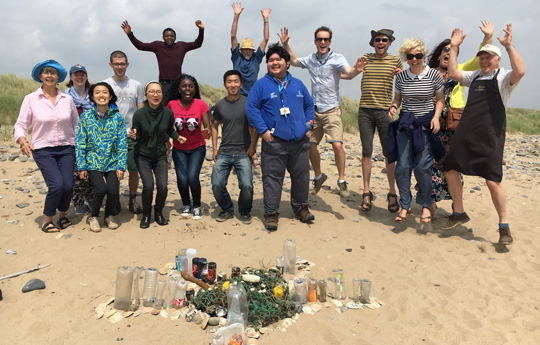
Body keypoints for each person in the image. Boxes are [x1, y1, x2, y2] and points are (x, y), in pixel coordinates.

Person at [438, 24, 525, 245]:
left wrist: (509, 46)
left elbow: (520, 72)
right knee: (450, 169)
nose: (485, 62)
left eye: (489, 58)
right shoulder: (475, 75)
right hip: (466, 132)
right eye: (482, 58)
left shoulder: (504, 79)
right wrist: (455, 48)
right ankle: (459, 212)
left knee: (492, 181)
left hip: (490, 135)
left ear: (497, 61)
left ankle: (504, 226)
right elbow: (454, 73)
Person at [279, 27, 365, 199]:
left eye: (326, 39)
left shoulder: (337, 58)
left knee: (337, 145)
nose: (323, 42)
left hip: (332, 109)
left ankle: (341, 180)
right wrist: (286, 45)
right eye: (319, 39)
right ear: (315, 41)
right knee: (309, 144)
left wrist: (357, 69)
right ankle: (318, 177)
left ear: (330, 42)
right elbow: (294, 61)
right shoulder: (311, 59)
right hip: (314, 110)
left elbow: (349, 72)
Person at [426, 21, 494, 218]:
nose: (448, 53)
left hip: (453, 129)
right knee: (426, 165)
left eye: (452, 50)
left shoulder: (460, 71)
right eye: (445, 49)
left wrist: (487, 36)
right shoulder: (428, 73)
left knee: (453, 167)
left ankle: (457, 207)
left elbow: (478, 59)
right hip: (430, 126)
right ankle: (429, 204)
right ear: (439, 54)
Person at [246, 43, 315, 231]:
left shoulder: (298, 84)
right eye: (270, 60)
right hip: (274, 142)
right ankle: (271, 214)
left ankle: (301, 208)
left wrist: (309, 125)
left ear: (286, 63)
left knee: (301, 177)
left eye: (278, 59)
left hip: (300, 141)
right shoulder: (261, 85)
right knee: (272, 179)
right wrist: (264, 131)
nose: (274, 63)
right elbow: (251, 108)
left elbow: (309, 105)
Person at [14, 60, 79, 233]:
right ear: (40, 76)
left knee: (68, 185)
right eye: (46, 72)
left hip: (67, 147)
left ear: (58, 77)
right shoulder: (31, 99)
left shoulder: (67, 99)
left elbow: (76, 124)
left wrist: (80, 145)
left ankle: (62, 215)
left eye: (53, 73)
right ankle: (47, 219)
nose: (49, 75)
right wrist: (22, 141)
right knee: (56, 185)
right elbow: (20, 124)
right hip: (43, 149)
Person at [387, 38, 445, 224]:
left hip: (425, 126)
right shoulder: (401, 77)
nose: (414, 59)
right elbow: (398, 99)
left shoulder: (433, 75)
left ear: (424, 55)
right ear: (406, 57)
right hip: (405, 125)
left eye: (418, 55)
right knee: (402, 167)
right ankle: (406, 205)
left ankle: (426, 205)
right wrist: (393, 107)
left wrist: (436, 117)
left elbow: (440, 100)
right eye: (410, 56)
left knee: (422, 166)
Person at [346, 29, 402, 212]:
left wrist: (395, 105)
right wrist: (356, 69)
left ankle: (392, 193)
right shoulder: (365, 58)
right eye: (377, 39)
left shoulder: (395, 61)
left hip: (384, 112)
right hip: (365, 111)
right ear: (373, 42)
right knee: (366, 152)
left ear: (389, 43)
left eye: (384, 40)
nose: (381, 42)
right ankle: (366, 192)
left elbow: (401, 86)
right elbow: (351, 74)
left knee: (389, 153)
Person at [130, 82, 186, 229]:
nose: (155, 95)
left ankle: (159, 212)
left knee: (163, 187)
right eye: (152, 92)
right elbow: (136, 132)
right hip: (142, 155)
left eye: (158, 92)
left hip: (160, 154)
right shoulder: (139, 114)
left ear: (162, 94)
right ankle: (146, 214)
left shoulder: (167, 113)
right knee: (148, 186)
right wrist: (134, 134)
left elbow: (169, 130)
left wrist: (177, 137)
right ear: (146, 94)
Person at [76, 82, 128, 232]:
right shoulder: (86, 117)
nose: (101, 95)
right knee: (101, 189)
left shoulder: (117, 117)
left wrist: (121, 166)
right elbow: (80, 142)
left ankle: (108, 215)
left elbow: (122, 143)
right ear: (92, 96)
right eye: (97, 92)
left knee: (112, 190)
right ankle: (94, 216)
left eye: (105, 92)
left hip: (112, 161)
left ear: (110, 96)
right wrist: (82, 166)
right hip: (92, 161)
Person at [211, 70, 257, 224]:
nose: (233, 85)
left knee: (246, 185)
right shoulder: (219, 105)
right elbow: (214, 125)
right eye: (229, 82)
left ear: (241, 84)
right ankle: (227, 209)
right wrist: (215, 148)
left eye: (236, 81)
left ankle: (244, 211)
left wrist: (253, 146)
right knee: (217, 184)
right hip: (224, 151)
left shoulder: (248, 103)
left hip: (243, 151)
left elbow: (254, 127)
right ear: (225, 84)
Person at [121, 19, 204, 105]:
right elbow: (140, 46)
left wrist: (201, 30)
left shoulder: (181, 46)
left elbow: (197, 44)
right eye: (167, 36)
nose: (169, 38)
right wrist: (130, 34)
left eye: (172, 36)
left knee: (178, 107)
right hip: (164, 84)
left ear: (175, 38)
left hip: (178, 83)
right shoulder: (158, 46)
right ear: (163, 37)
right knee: (163, 108)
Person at [103, 50, 144, 214]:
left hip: (131, 135)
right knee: (114, 171)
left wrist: (138, 130)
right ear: (111, 65)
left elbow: (140, 110)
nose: (119, 66)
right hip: (112, 136)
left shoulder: (136, 85)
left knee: (134, 170)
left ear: (127, 65)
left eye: (122, 63)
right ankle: (115, 200)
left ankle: (133, 200)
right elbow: (101, 109)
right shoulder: (105, 85)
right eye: (116, 63)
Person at [167, 74, 211, 220]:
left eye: (191, 86)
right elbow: (167, 127)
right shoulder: (172, 105)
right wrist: (171, 138)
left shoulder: (201, 104)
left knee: (192, 177)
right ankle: (186, 204)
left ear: (194, 89)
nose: (188, 89)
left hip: (197, 148)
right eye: (184, 86)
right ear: (179, 89)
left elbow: (207, 126)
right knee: (181, 179)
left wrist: (207, 131)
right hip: (179, 148)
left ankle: (197, 205)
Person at [65, 64, 93, 214]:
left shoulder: (93, 95)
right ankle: (78, 201)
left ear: (86, 76)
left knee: (92, 170)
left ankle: (91, 197)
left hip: (92, 139)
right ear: (71, 77)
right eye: (76, 74)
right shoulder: (65, 97)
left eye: (82, 74)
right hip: (73, 139)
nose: (79, 77)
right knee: (76, 172)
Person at [230, 2, 271, 96]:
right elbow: (233, 36)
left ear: (253, 50)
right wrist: (236, 16)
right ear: (241, 50)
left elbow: (266, 39)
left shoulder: (256, 58)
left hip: (253, 95)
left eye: (250, 49)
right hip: (237, 95)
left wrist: (266, 20)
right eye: (245, 49)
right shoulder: (237, 57)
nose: (247, 51)